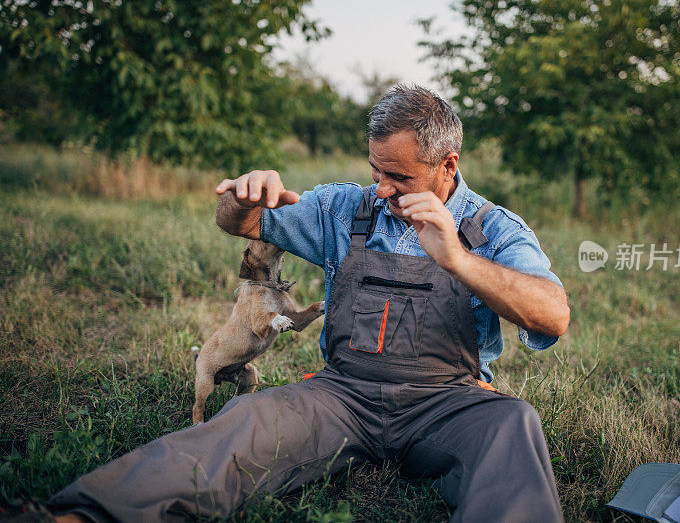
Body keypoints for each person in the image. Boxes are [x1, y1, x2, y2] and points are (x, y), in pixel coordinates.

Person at [44, 85, 570, 522]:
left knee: (514, 425)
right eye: (375, 170)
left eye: (400, 177)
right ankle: (91, 514)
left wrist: (459, 258)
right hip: (343, 397)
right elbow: (242, 224)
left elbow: (553, 315)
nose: (382, 189)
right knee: (245, 419)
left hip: (449, 402)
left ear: (448, 164)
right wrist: (243, 200)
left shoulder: (495, 229)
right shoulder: (345, 207)